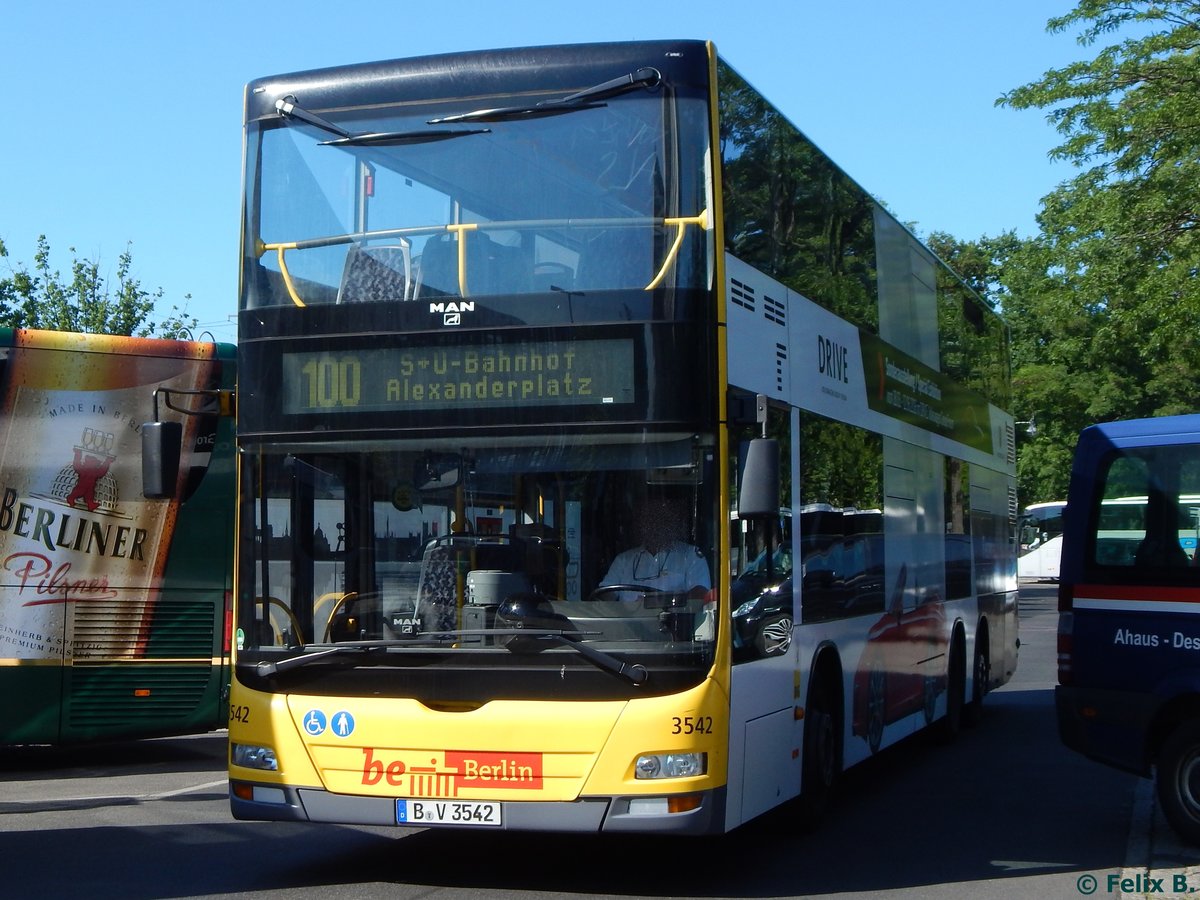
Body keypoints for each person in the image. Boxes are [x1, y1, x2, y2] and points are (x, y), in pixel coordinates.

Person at [599, 497, 711, 600]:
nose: (654, 525)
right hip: (627, 621)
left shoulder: (692, 555)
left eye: (661, 518)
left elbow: (700, 593)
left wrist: (660, 602)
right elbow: (605, 594)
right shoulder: (623, 560)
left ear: (673, 523)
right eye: (649, 519)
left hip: (674, 621)